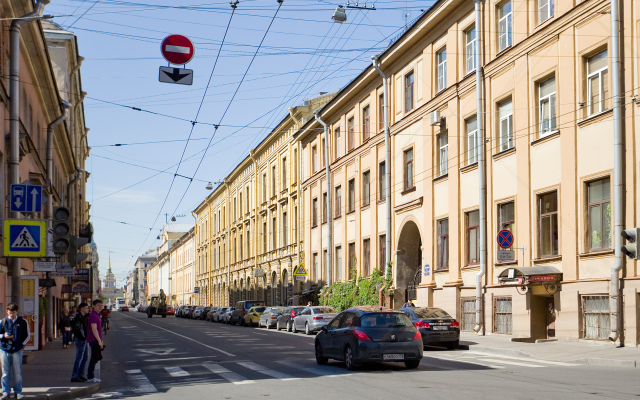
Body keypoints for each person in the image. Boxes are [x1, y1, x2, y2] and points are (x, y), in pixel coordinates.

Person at [0, 303, 30, 399]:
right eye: (9, 312)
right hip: (4, 350)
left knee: (17, 372)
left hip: (17, 350)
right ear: (6, 311)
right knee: (5, 372)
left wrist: (21, 345)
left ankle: (18, 392)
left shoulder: (23, 322)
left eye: (13, 312)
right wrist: (4, 336)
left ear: (17, 311)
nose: (11, 314)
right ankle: (5, 392)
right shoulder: (3, 322)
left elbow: (27, 335)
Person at [71, 303, 89, 382]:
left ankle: (80, 375)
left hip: (84, 339)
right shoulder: (78, 318)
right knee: (79, 357)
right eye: (86, 308)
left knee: (85, 358)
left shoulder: (84, 317)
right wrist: (83, 338)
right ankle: (74, 376)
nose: (87, 309)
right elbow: (78, 330)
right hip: (81, 340)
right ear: (81, 308)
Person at [86, 300, 104, 383]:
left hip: (95, 340)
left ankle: (91, 376)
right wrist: (99, 341)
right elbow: (94, 329)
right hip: (94, 340)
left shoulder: (97, 315)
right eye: (98, 305)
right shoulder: (93, 315)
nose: (100, 307)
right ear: (94, 306)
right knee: (94, 359)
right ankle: (90, 377)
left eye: (101, 305)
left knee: (95, 358)